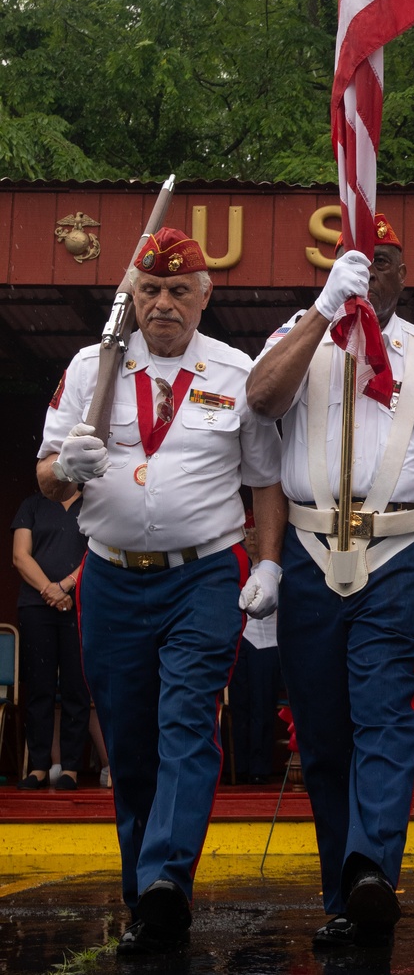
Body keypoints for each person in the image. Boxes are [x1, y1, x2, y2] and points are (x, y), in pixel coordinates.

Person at [244, 213, 414, 950]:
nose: (371, 273)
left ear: (404, 274)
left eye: (383, 261)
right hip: (310, 551)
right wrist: (326, 311)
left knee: (388, 715)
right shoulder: (299, 334)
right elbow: (260, 400)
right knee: (322, 735)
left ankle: (372, 868)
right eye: (357, 260)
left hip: (401, 552)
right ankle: (342, 893)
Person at [36, 228, 284, 959]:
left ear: (206, 295)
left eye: (180, 290)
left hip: (202, 573)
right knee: (131, 740)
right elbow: (47, 475)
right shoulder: (91, 367)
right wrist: (67, 468)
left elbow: (264, 481)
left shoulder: (238, 372)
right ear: (131, 295)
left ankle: (167, 883)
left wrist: (267, 563)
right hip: (109, 575)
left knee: (186, 721)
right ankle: (142, 884)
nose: (164, 303)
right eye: (150, 289)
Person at [11, 487, 89, 789]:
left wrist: (67, 586)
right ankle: (39, 767)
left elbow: (100, 551)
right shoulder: (32, 505)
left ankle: (70, 768)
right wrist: (52, 591)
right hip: (36, 607)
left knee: (76, 687)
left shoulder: (93, 503)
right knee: (39, 688)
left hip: (79, 605)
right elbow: (20, 556)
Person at [228, 515, 282, 783]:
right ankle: (239, 766)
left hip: (267, 643)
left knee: (262, 706)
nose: (251, 537)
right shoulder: (236, 566)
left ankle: (260, 768)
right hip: (241, 641)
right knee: (239, 706)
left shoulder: (275, 569)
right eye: (247, 532)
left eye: (255, 532)